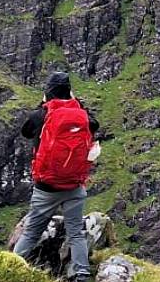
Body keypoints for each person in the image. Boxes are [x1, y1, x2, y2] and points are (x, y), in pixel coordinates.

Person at [13, 71, 100, 282]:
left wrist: (42, 106)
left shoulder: (41, 115)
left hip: (47, 187)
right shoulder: (82, 115)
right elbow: (94, 125)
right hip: (74, 186)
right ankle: (82, 274)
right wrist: (76, 103)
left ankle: (10, 266)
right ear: (69, 91)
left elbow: (26, 131)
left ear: (48, 91)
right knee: (75, 233)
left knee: (32, 232)